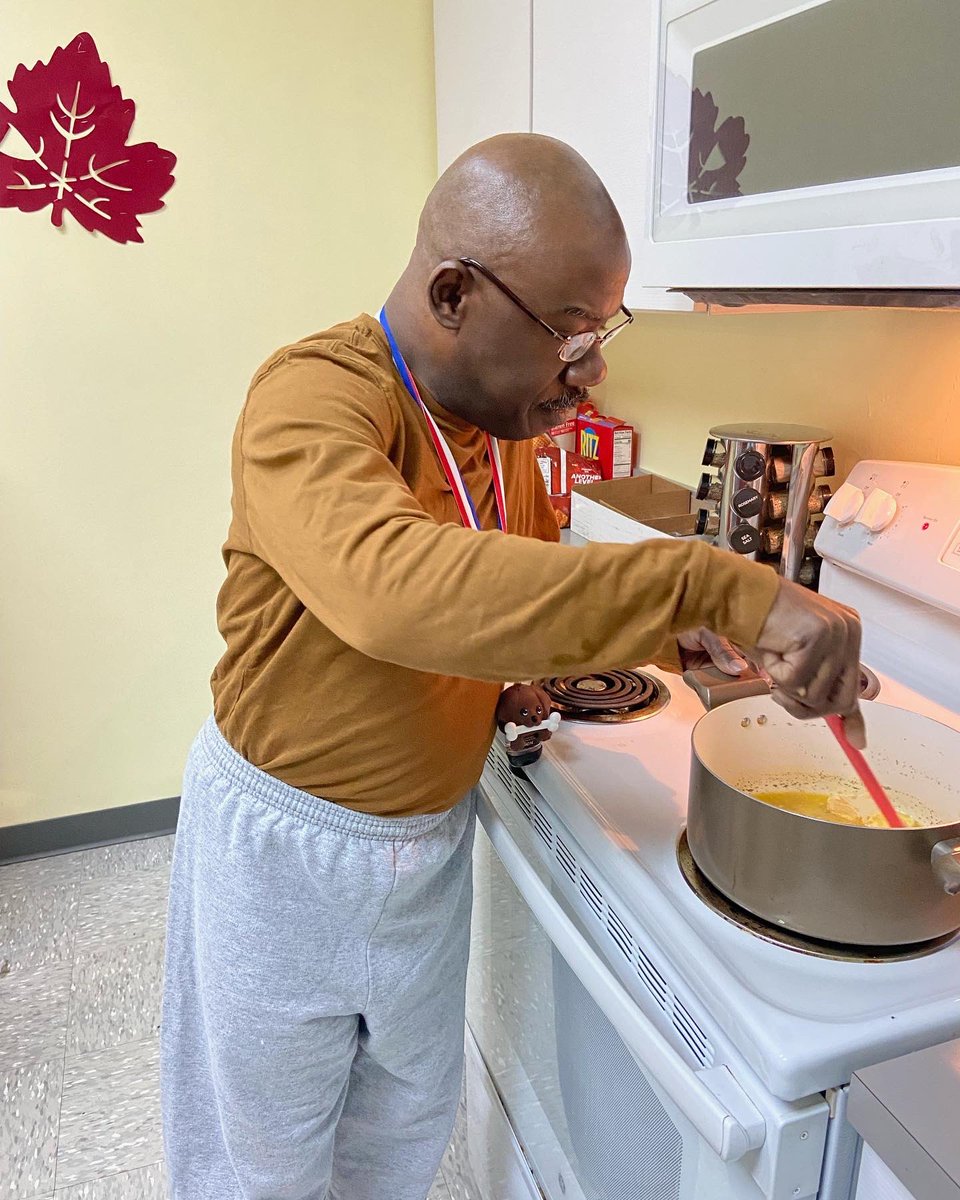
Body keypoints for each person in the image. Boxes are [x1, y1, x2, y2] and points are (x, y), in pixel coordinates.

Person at [160, 134, 862, 1200]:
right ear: (453, 293)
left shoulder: (506, 433)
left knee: (399, 1131)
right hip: (286, 853)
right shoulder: (309, 400)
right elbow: (396, 590)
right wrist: (710, 585)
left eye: (600, 333)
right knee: (258, 1158)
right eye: (571, 334)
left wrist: (653, 639)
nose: (593, 371)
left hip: (425, 845)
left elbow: (507, 595)